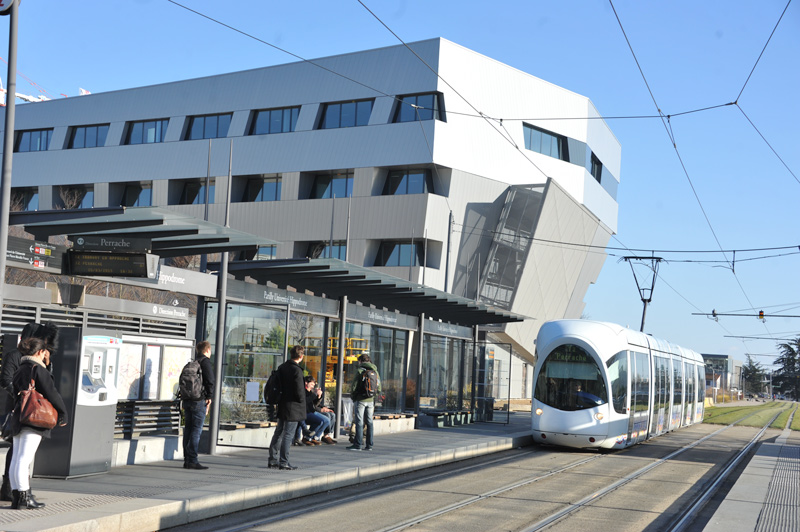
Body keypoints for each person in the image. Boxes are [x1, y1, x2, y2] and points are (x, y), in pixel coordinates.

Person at [0, 322, 58, 502]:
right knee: (18, 452)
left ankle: (20, 489)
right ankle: (12, 489)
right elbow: (5, 379)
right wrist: (22, 396)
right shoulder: (14, 355)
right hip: (18, 408)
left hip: (34, 409)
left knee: (23, 452)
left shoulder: (41, 358)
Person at [8, 337, 68, 509]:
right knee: (24, 460)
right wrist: (63, 413)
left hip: (19, 417)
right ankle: (26, 498)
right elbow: (52, 393)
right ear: (41, 352)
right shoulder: (38, 370)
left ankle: (17, 498)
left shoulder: (20, 369)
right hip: (33, 419)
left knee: (17, 459)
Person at [268, 346, 306, 470]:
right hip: (293, 407)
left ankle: (273, 459)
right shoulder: (297, 371)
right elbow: (299, 391)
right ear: (301, 356)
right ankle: (284, 462)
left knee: (279, 432)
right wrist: (302, 401)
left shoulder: (282, 367)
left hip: (282, 405)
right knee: (288, 434)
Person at [182, 341, 215, 470]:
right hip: (198, 400)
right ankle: (193, 460)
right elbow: (210, 380)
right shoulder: (205, 362)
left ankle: (187, 460)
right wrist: (209, 397)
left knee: (188, 430)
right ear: (207, 350)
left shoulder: (193, 363)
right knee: (196, 430)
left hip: (187, 400)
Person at [347, 354, 381, 451]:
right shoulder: (375, 371)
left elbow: (354, 386)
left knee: (359, 422)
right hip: (371, 401)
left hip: (360, 400)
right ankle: (369, 445)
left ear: (361, 361)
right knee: (370, 422)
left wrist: (354, 397)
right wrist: (373, 396)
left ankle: (358, 445)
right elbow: (379, 387)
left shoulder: (360, 371)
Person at [303, 376, 336, 445]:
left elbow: (314, 404)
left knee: (329, 416)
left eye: (313, 385)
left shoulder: (310, 392)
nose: (313, 386)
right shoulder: (303, 391)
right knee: (324, 419)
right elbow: (306, 402)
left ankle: (314, 437)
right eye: (311, 384)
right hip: (306, 412)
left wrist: (318, 397)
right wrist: (315, 395)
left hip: (312, 411)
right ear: (306, 383)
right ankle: (311, 437)